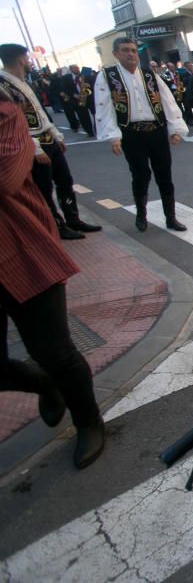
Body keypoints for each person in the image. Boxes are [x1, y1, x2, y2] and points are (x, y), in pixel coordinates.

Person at [0, 91, 106, 469]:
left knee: (56, 351)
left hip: (21, 248)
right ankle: (43, 384)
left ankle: (88, 420)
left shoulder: (6, 112)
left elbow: (8, 177)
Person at [0, 43, 102, 240]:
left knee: (65, 181)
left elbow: (39, 112)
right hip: (32, 145)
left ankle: (73, 219)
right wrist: (36, 149)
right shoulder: (3, 87)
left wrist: (56, 135)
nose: (29, 61)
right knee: (44, 188)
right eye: (27, 58)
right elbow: (16, 123)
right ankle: (56, 224)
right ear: (21, 59)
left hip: (48, 139)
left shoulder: (22, 81)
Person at [94, 37, 188, 232]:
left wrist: (175, 129)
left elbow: (168, 101)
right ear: (116, 54)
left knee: (165, 175)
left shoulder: (149, 75)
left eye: (133, 50)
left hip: (156, 131)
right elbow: (104, 107)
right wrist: (114, 136)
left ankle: (171, 217)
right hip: (131, 133)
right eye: (125, 50)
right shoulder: (107, 76)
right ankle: (141, 215)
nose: (130, 54)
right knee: (140, 175)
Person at [60, 65, 95, 137]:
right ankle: (89, 131)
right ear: (71, 69)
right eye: (75, 68)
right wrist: (73, 95)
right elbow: (66, 89)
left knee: (95, 113)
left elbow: (92, 84)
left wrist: (88, 88)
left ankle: (97, 128)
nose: (77, 69)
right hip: (78, 100)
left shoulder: (85, 75)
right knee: (84, 117)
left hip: (88, 97)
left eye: (78, 68)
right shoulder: (66, 78)